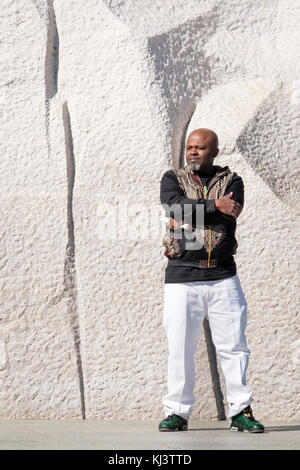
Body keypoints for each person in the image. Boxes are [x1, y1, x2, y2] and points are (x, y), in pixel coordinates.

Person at [159, 128, 264, 433]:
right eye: (190, 147)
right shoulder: (172, 179)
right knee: (180, 347)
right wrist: (215, 206)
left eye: (200, 148)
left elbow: (232, 214)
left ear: (214, 152)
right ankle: (177, 412)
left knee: (234, 346)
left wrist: (191, 213)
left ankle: (241, 411)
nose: (192, 152)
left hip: (222, 276)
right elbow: (174, 207)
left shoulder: (233, 181)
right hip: (182, 275)